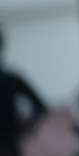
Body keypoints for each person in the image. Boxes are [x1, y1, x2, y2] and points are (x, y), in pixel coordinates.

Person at [0, 26, 48, 156]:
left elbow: (41, 106)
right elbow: (41, 106)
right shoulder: (10, 79)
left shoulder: (11, 79)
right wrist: (26, 126)